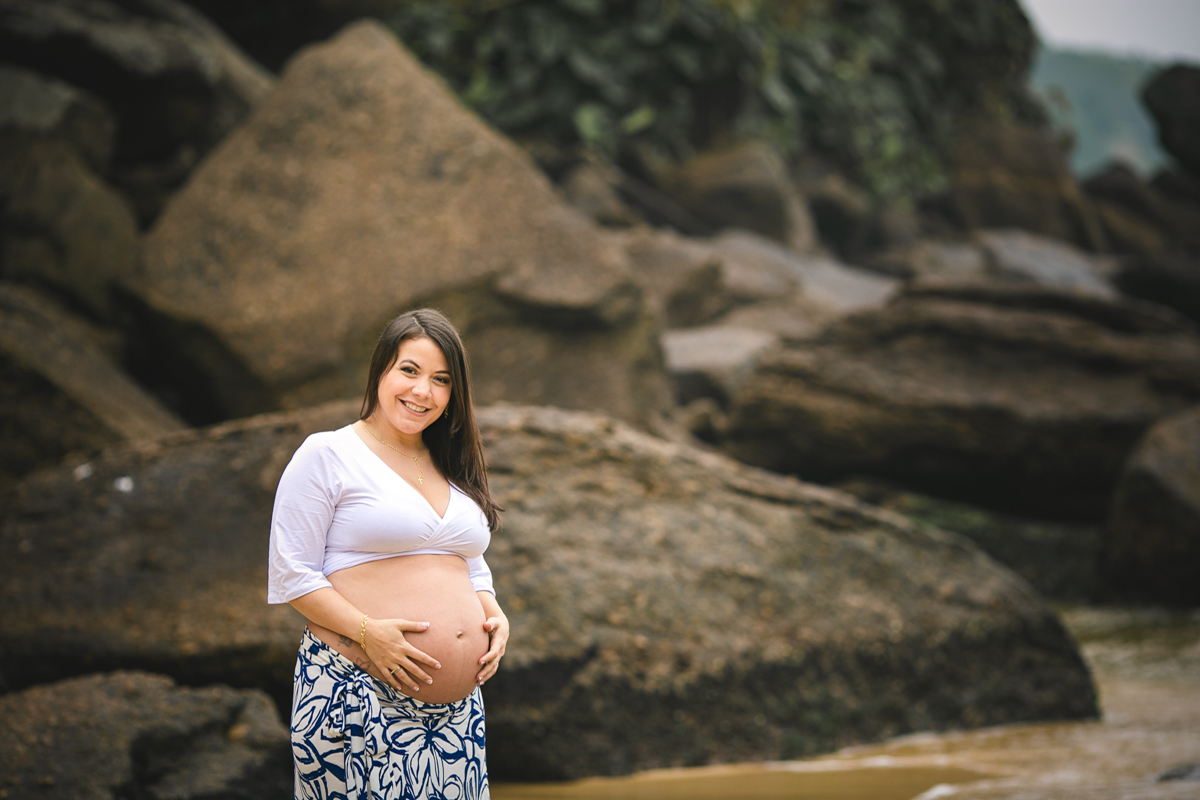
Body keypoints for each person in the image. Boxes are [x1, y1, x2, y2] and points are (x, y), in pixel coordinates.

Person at [268, 308, 507, 800]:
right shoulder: (328, 454)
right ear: (381, 369)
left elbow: (467, 560)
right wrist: (367, 633)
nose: (423, 392)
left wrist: (492, 611)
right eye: (409, 370)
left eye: (441, 380)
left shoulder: (450, 464)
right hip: (359, 690)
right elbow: (292, 573)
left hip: (455, 717)